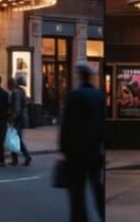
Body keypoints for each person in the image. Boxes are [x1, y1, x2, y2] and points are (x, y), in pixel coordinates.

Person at [61, 62, 104, 221]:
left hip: (76, 153)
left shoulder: (73, 96)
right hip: (94, 150)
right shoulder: (99, 96)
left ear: (79, 77)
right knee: (96, 186)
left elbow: (66, 126)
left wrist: (64, 150)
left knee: (77, 192)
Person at [8, 74, 32, 166]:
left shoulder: (16, 92)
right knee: (16, 138)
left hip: (17, 119)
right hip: (20, 118)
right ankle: (18, 158)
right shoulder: (22, 91)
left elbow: (17, 108)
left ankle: (22, 157)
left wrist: (12, 119)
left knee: (15, 139)